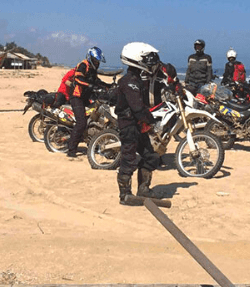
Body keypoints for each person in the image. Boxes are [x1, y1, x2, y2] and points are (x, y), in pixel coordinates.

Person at [115, 42, 179, 205]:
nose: (149, 63)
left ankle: (143, 188)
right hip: (129, 126)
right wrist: (152, 121)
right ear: (136, 59)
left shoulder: (137, 79)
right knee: (128, 159)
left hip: (138, 125)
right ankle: (124, 194)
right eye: (146, 59)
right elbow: (138, 108)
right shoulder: (129, 81)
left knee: (151, 155)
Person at [65, 47, 112, 158]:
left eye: (98, 61)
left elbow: (97, 81)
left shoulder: (92, 69)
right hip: (77, 97)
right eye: (95, 61)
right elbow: (78, 79)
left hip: (86, 97)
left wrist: (108, 86)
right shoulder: (83, 65)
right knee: (81, 122)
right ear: (90, 58)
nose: (97, 63)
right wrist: (91, 86)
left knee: (94, 115)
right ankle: (71, 150)